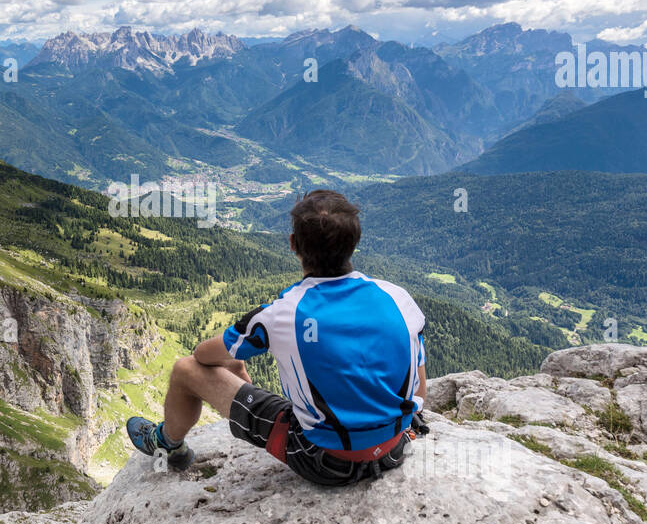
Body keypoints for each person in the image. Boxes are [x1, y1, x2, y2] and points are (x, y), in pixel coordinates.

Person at [126, 189, 428, 486]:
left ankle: (168, 445)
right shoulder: (399, 299)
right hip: (394, 451)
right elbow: (420, 386)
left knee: (185, 369)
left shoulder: (282, 314)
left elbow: (203, 356)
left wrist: (235, 357)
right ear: (355, 243)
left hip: (322, 462)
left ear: (293, 244)